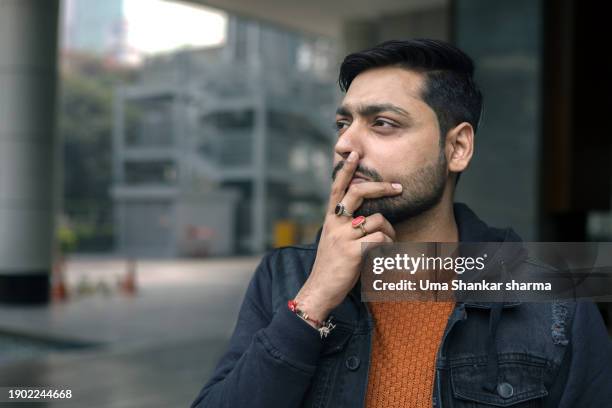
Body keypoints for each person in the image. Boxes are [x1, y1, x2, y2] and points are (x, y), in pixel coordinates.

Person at [191, 39, 611, 408]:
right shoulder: (285, 276)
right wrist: (313, 301)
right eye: (343, 123)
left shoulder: (556, 297)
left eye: (383, 124)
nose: (344, 144)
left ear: (458, 148)